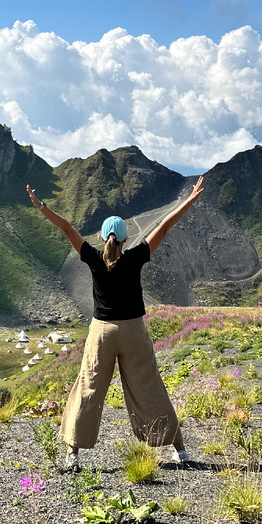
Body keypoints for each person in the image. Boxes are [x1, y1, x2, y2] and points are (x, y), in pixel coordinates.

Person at [26, 178, 204, 470]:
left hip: (102, 332)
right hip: (133, 330)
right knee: (150, 387)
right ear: (124, 240)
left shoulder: (94, 258)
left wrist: (41, 206)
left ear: (103, 238)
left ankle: (72, 456)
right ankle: (180, 451)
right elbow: (165, 226)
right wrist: (190, 199)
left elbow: (67, 228)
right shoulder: (136, 257)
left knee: (89, 387)